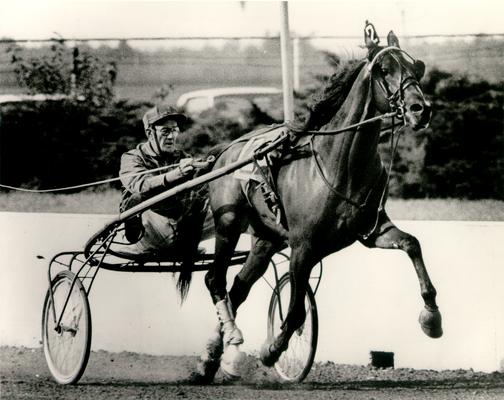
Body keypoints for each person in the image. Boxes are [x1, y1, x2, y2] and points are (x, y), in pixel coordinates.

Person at [117, 105, 210, 258]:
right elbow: (140, 185)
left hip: (177, 225)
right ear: (150, 133)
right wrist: (176, 174)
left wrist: (204, 168)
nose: (171, 136)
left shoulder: (182, 156)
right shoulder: (132, 157)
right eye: (165, 131)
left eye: (175, 130)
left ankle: (183, 243)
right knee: (137, 198)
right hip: (147, 229)